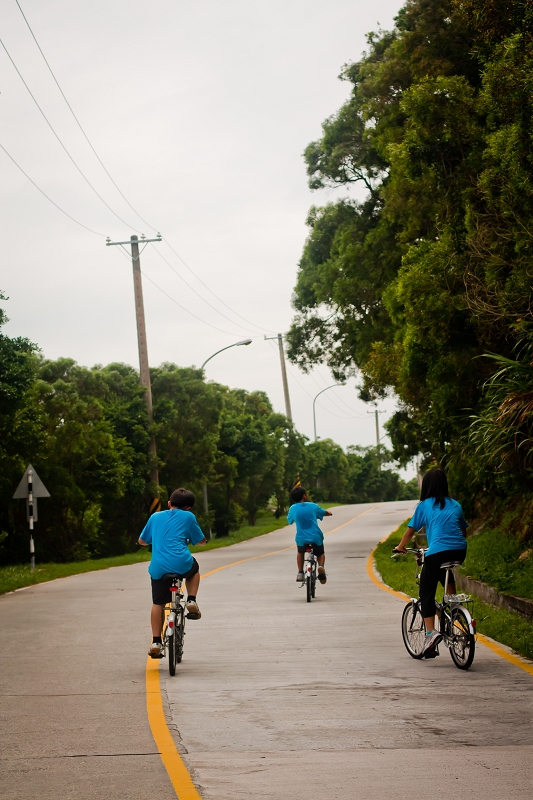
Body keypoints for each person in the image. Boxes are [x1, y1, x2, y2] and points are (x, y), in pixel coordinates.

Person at [393, 467, 468, 655]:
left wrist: (400, 547)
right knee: (447, 576)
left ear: (426, 486)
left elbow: (411, 530)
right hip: (459, 551)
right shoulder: (456, 504)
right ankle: (456, 614)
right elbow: (462, 531)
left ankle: (430, 634)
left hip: (438, 553)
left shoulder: (425, 505)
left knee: (426, 591)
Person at [138, 487, 206, 658]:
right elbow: (201, 542)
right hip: (181, 563)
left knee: (158, 604)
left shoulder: (155, 517)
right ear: (189, 507)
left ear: (169, 504)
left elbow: (141, 541)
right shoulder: (189, 517)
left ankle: (156, 641)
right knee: (194, 569)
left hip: (159, 567)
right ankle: (191, 600)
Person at [287, 486, 332, 584]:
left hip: (301, 538)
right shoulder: (312, 506)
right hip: (315, 537)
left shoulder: (293, 508)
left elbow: (290, 520)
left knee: (300, 552)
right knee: (320, 553)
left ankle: (300, 573)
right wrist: (329, 513)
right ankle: (321, 568)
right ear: (304, 496)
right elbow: (324, 512)